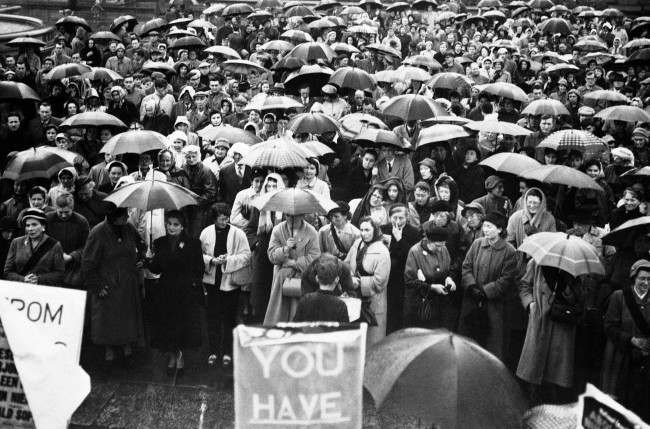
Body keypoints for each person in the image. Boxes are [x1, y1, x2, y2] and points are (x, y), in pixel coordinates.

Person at [82, 206, 146, 369]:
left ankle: (127, 350)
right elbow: (88, 263)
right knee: (107, 322)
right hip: (107, 284)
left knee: (127, 320)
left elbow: (141, 244)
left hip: (127, 283)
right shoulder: (97, 233)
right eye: (122, 215)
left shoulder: (128, 227)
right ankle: (108, 353)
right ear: (112, 216)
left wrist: (141, 258)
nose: (126, 217)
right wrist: (97, 286)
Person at [517, 260, 583, 404]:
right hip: (540, 320)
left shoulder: (574, 268)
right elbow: (524, 285)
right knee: (534, 370)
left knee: (555, 373)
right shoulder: (536, 263)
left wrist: (566, 289)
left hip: (561, 324)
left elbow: (579, 297)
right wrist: (530, 305)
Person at [148, 210, 204, 376]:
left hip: (185, 292)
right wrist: (149, 259)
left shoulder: (193, 243)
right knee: (168, 325)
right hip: (165, 291)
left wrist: (192, 284)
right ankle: (172, 356)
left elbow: (199, 268)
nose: (171, 227)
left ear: (182, 227)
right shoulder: (160, 243)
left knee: (181, 325)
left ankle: (180, 357)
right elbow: (156, 269)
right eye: (169, 224)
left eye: (176, 224)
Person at [459, 211, 518, 361]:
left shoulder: (509, 251)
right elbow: (466, 266)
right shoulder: (477, 244)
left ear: (499, 229)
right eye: (485, 226)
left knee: (492, 342)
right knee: (468, 339)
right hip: (472, 300)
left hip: (494, 304)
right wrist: (471, 286)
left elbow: (506, 278)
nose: (486, 230)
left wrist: (486, 292)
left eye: (490, 227)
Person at [199, 203, 251, 368]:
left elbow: (246, 256)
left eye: (227, 218)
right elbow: (199, 255)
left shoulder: (238, 234)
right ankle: (213, 351)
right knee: (212, 318)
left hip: (230, 283)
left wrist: (228, 260)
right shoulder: (206, 233)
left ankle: (228, 352)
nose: (225, 220)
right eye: (221, 218)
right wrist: (212, 260)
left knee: (229, 319)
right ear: (214, 218)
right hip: (212, 283)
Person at [602, 259, 650, 421]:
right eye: (642, 278)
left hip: (645, 363)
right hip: (622, 359)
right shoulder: (620, 297)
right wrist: (631, 340)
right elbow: (609, 327)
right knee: (619, 403)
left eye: (649, 279)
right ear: (633, 278)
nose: (645, 282)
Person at [264, 213, 320, 325]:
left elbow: (315, 258)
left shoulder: (311, 231)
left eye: (294, 216)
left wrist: (294, 263)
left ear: (302, 215)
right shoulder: (278, 229)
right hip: (281, 279)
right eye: (288, 215)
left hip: (303, 277)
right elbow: (271, 256)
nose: (290, 218)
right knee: (278, 312)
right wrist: (285, 248)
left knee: (299, 311)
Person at [345, 216, 391, 346]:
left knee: (372, 339)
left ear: (375, 230)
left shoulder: (382, 251)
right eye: (362, 230)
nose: (364, 233)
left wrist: (359, 282)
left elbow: (380, 282)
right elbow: (347, 263)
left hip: (373, 300)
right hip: (354, 298)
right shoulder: (357, 243)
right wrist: (349, 277)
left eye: (367, 230)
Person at [404, 224, 458, 330]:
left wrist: (449, 278)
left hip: (440, 303)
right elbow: (409, 281)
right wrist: (431, 287)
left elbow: (449, 268)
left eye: (443, 245)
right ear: (428, 241)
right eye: (437, 246)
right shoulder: (415, 252)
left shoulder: (443, 249)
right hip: (421, 304)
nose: (440, 249)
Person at [3, 208, 64, 286]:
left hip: (43, 291)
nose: (30, 229)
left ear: (43, 226)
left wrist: (39, 279)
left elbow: (59, 273)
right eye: (27, 225)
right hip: (20, 289)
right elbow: (7, 272)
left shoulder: (54, 245)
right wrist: (22, 279)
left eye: (34, 225)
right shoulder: (16, 242)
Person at [45, 193, 89, 289]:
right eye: (60, 212)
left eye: (67, 212)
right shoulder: (47, 219)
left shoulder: (81, 221)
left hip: (73, 267)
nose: (63, 215)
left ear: (72, 209)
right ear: (55, 208)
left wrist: (71, 256)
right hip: (50, 264)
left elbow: (86, 246)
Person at [293, 256, 350, 323]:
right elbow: (345, 331)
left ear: (317, 278)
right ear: (337, 279)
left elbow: (295, 327)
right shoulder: (340, 305)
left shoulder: (305, 300)